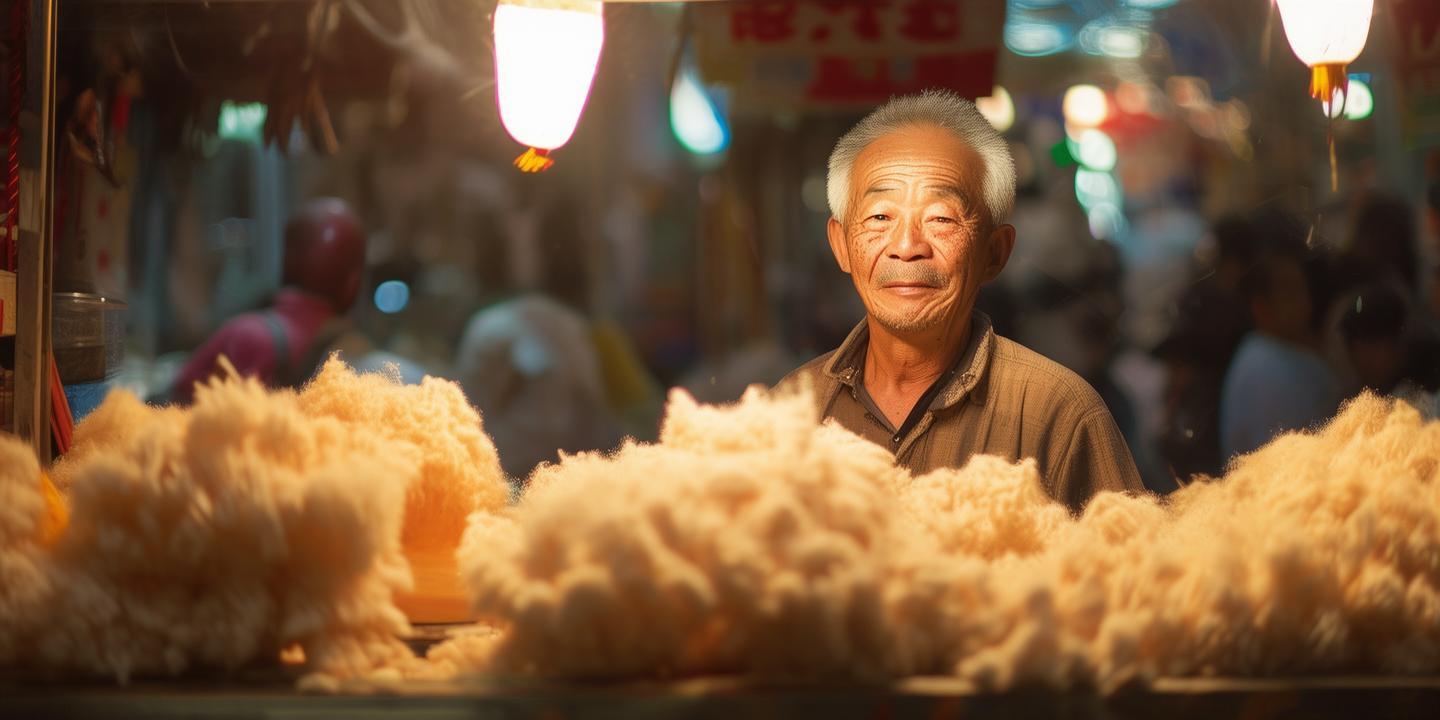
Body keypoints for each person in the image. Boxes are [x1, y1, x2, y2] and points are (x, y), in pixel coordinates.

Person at [777, 90, 1145, 512]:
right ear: (841, 244)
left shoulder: (1059, 415)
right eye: (880, 217)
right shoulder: (786, 415)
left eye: (941, 218)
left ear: (995, 252)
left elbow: (1126, 568)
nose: (907, 246)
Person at [170, 198, 365, 403]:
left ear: (287, 259)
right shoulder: (356, 349)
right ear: (353, 281)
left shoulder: (247, 334)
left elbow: (177, 395)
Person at [1219, 246, 1343, 459]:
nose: (1303, 300)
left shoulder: (1285, 352)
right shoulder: (1262, 365)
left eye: (1302, 288)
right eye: (1290, 292)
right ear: (1261, 306)